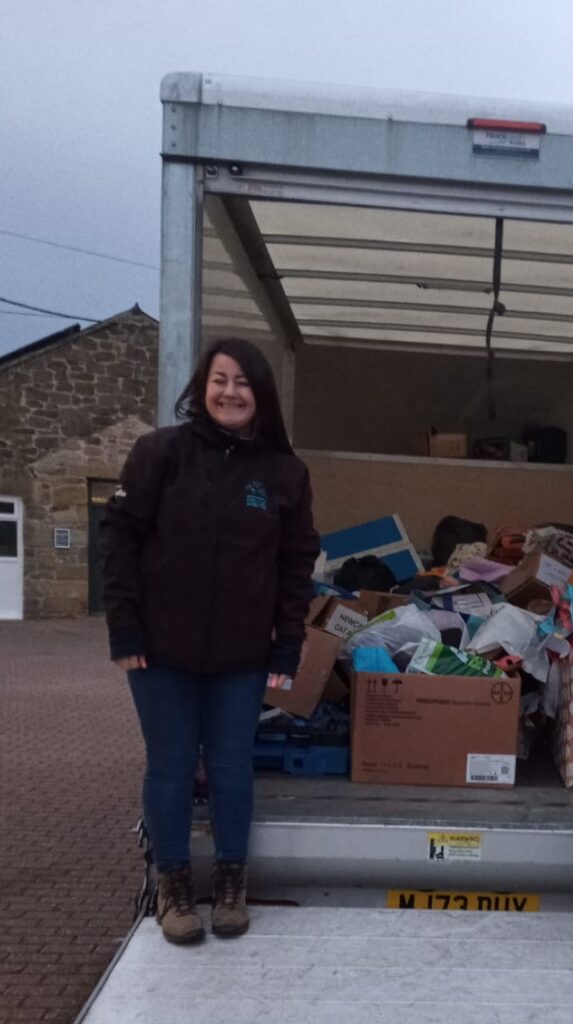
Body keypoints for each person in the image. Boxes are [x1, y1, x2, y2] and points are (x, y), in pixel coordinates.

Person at [101, 337, 320, 945]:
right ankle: (173, 887)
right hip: (159, 651)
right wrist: (124, 627)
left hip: (242, 656)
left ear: (262, 394)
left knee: (230, 767)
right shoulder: (160, 454)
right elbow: (119, 540)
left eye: (243, 382)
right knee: (170, 768)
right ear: (201, 387)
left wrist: (286, 645)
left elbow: (296, 563)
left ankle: (229, 885)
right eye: (219, 380)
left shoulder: (284, 473)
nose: (230, 392)